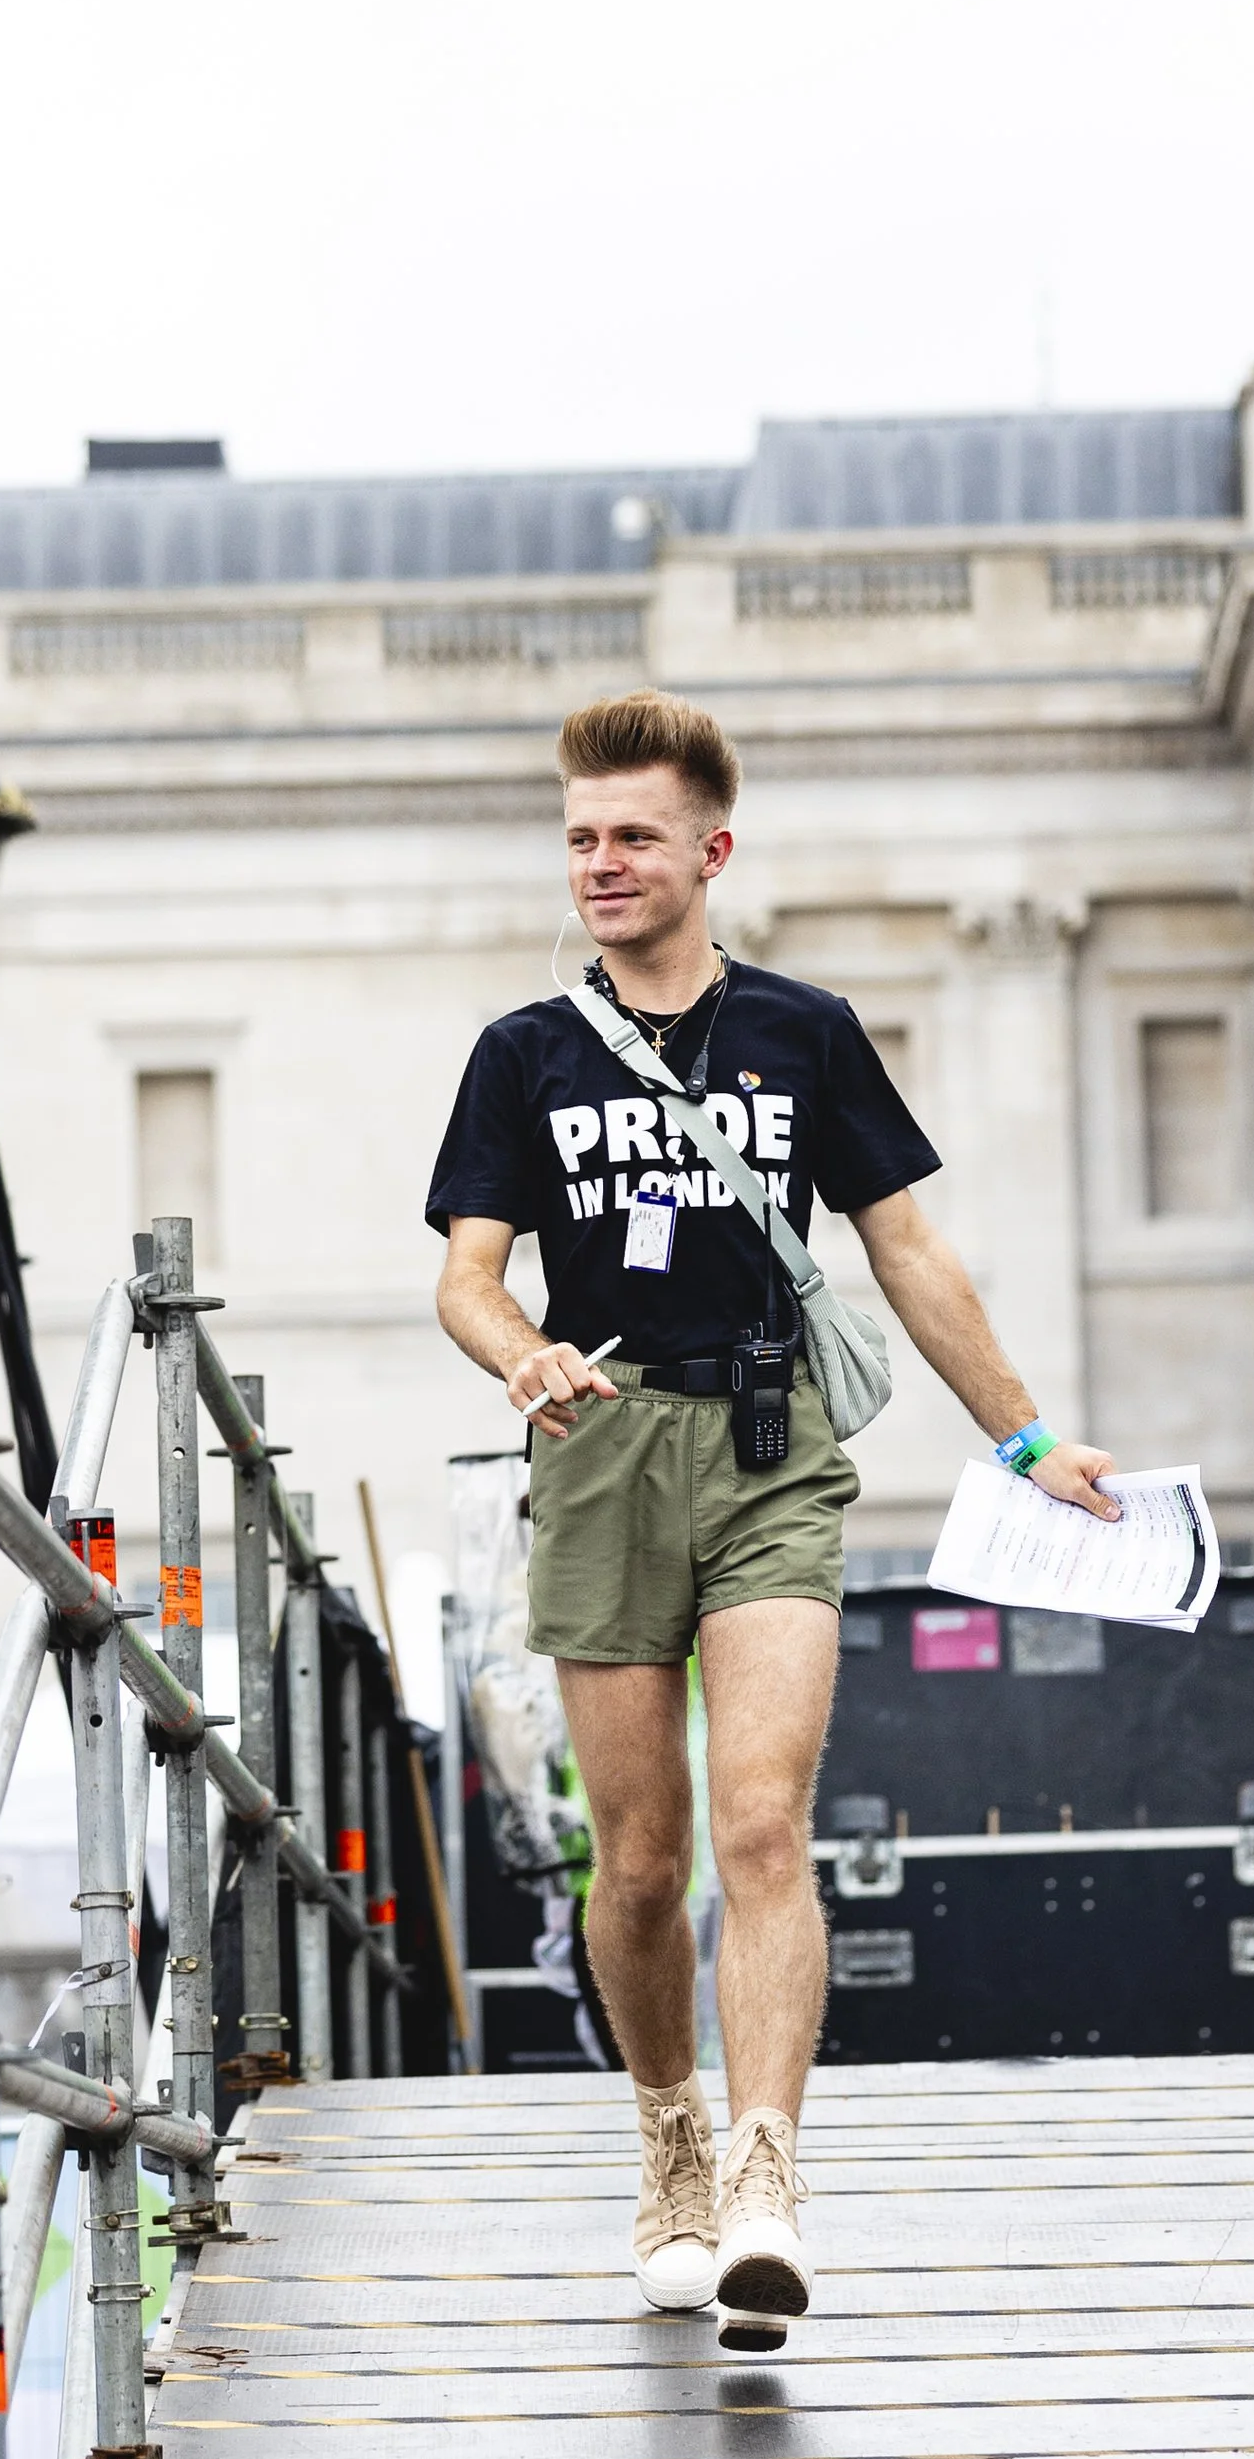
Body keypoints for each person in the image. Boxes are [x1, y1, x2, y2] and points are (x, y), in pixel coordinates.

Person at [428, 689, 1120, 2352]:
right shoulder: (521, 1055)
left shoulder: (800, 1034)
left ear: (711, 851)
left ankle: (763, 2174)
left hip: (768, 1442)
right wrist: (522, 1361)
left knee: (758, 1820)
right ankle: (666, 2133)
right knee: (642, 1856)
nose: (601, 863)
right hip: (594, 1447)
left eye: (634, 837)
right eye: (581, 837)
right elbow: (465, 1279)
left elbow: (907, 1254)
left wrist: (1026, 1439)